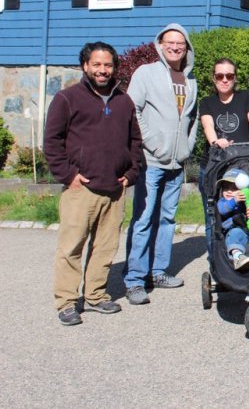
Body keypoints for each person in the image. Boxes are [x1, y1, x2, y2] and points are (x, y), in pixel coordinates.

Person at [44, 41, 142, 326]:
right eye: (97, 64)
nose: (102, 70)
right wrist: (67, 175)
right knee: (71, 247)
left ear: (114, 68)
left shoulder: (124, 100)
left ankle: (96, 295)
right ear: (85, 65)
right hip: (81, 189)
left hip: (114, 188)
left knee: (105, 247)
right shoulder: (67, 98)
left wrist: (131, 173)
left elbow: (135, 141)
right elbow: (52, 141)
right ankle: (66, 302)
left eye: (108, 65)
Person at [123, 23, 198, 305]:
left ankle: (158, 271)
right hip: (151, 161)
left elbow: (191, 120)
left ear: (186, 47)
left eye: (180, 43)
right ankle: (134, 280)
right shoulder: (146, 73)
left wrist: (188, 146)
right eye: (170, 42)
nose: (175, 47)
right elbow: (133, 111)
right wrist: (151, 142)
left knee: (167, 219)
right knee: (143, 219)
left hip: (177, 163)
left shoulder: (190, 80)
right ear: (160, 44)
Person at [198, 58, 249, 257]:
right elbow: (208, 126)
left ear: (235, 78)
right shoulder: (207, 102)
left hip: (242, 164)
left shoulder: (245, 97)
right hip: (215, 165)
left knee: (248, 207)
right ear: (214, 78)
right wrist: (215, 141)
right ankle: (217, 262)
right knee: (214, 216)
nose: (225, 80)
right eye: (220, 76)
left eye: (230, 76)